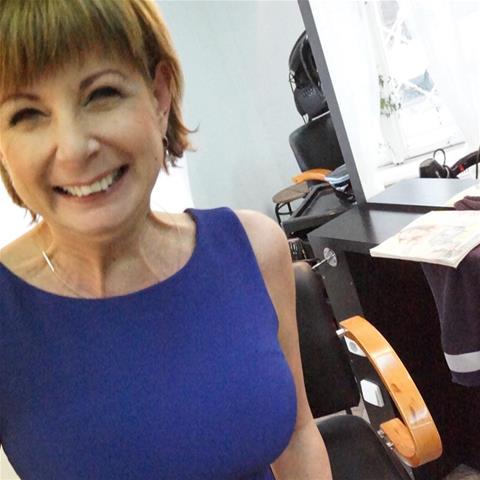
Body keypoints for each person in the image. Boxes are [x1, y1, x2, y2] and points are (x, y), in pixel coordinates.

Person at [0, 1, 332, 479]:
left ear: (159, 96)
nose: (73, 149)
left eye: (101, 94)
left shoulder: (255, 248)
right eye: (27, 114)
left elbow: (298, 434)